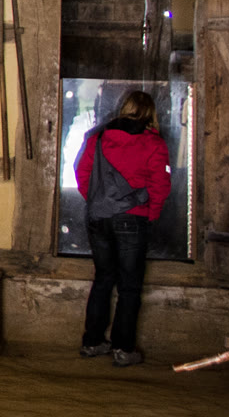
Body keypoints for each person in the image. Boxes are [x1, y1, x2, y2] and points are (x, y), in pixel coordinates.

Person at [73, 90, 172, 367]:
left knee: (103, 279)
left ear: (123, 107)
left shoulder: (98, 137)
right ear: (150, 113)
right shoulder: (153, 143)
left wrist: (99, 203)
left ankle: (92, 341)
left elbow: (82, 172)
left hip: (98, 218)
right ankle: (123, 348)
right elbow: (160, 184)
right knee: (129, 286)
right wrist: (151, 214)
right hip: (133, 218)